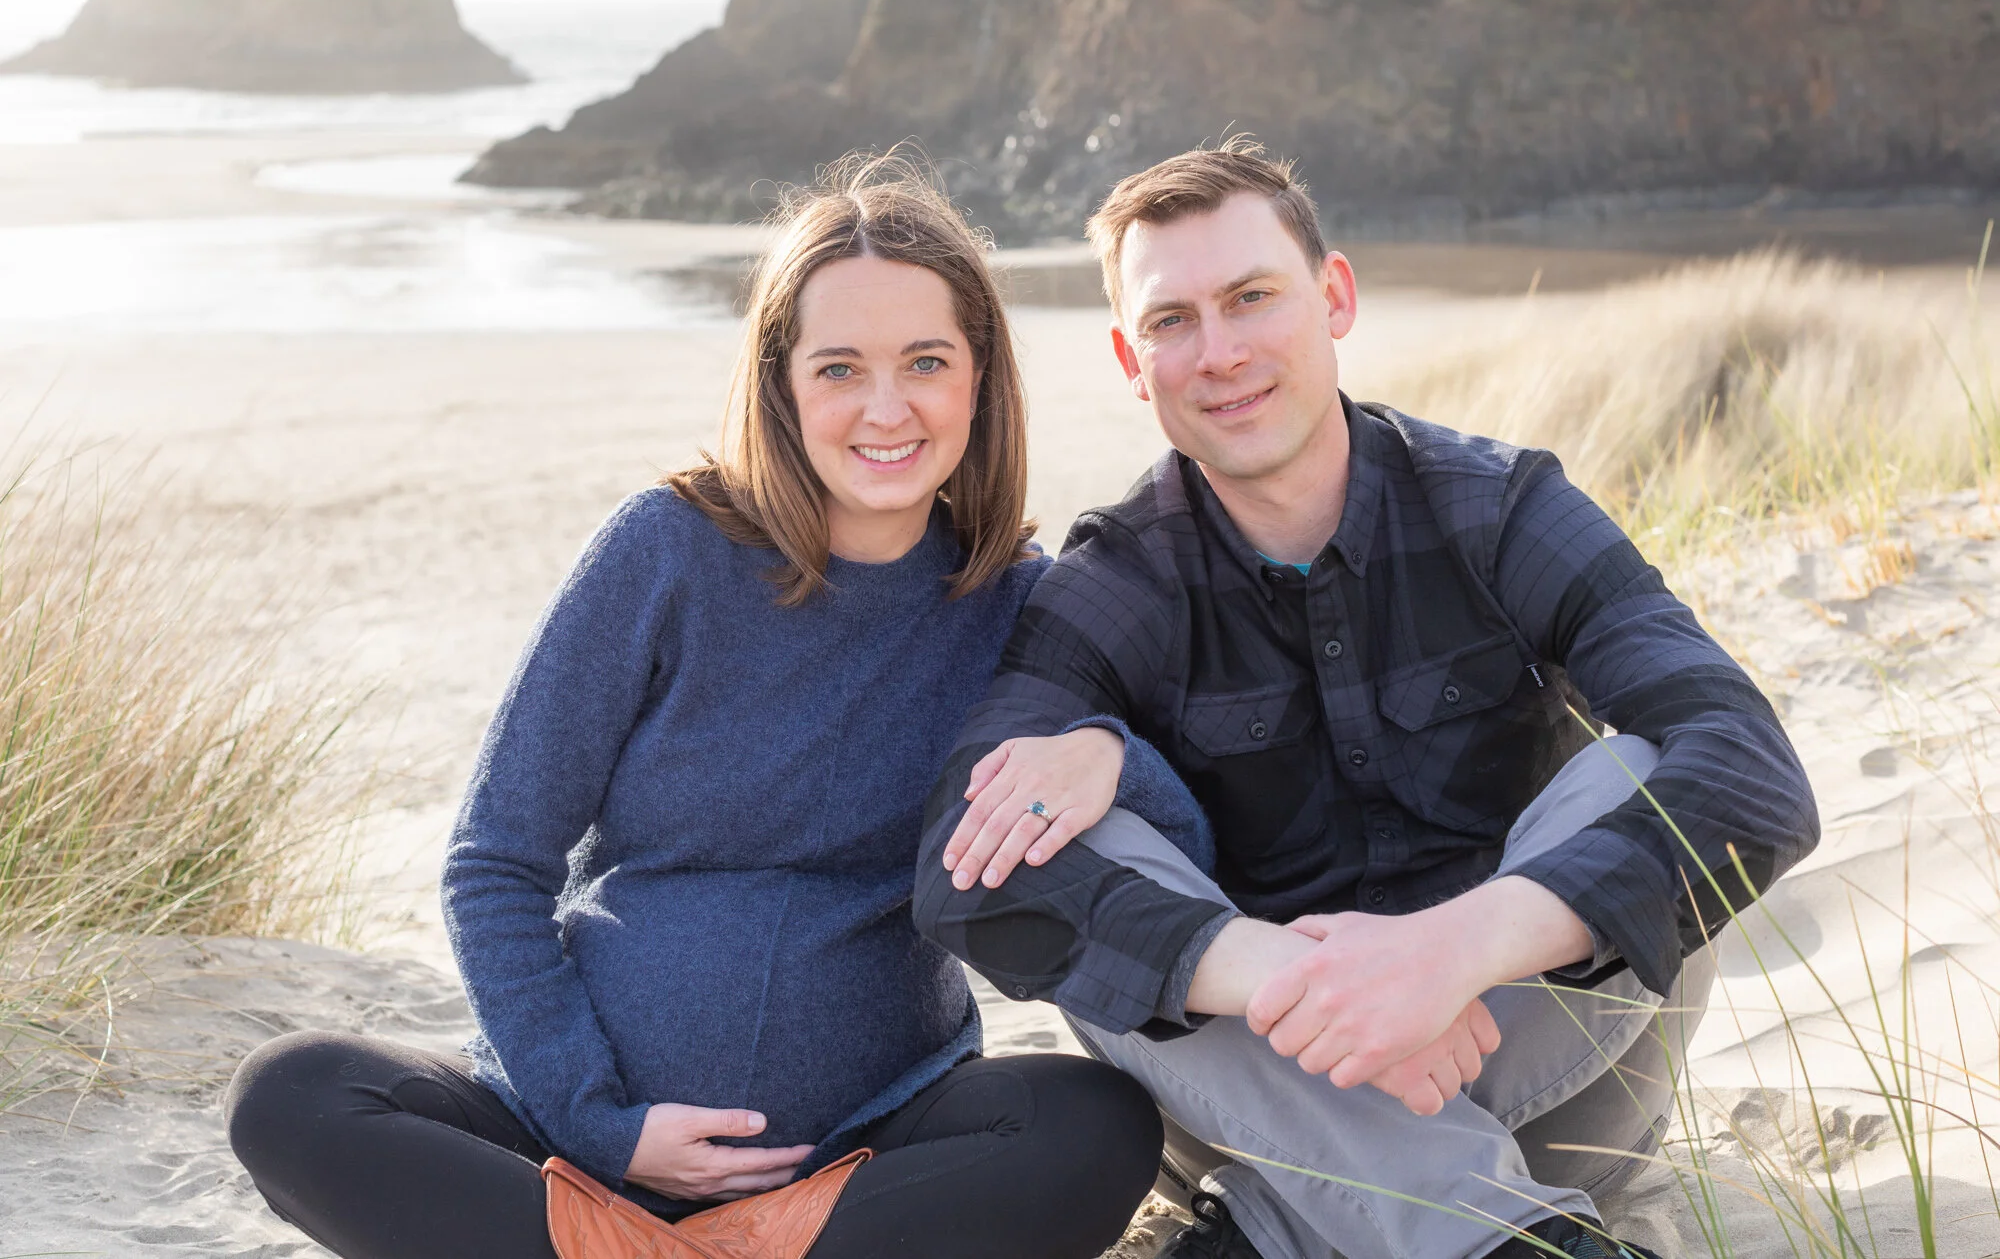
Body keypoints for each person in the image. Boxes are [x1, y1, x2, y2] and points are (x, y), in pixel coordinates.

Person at [224, 156, 1192, 1259]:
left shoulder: (1017, 604)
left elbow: (1184, 834)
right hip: (576, 1151)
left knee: (1095, 1125)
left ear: (980, 377)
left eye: (926, 361)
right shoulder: (665, 550)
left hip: (859, 1160)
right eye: (839, 368)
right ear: (781, 382)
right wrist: (603, 1123)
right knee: (292, 1094)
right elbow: (493, 862)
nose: (887, 407)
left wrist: (1105, 754)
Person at [913, 142, 1820, 1259]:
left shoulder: (1497, 507)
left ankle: (1298, 1230)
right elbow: (958, 873)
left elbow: (1751, 768)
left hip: (1536, 1051)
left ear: (1332, 296)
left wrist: (1447, 954)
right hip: (1271, 1090)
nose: (1220, 351)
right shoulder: (1117, 579)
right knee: (1054, 827)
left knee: (1640, 771)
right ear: (1127, 357)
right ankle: (1508, 1235)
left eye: (1252, 297)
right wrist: (1324, 988)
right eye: (1171, 321)